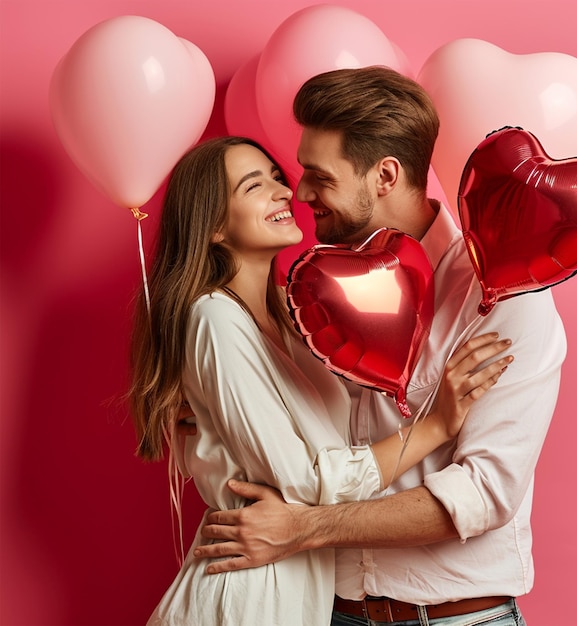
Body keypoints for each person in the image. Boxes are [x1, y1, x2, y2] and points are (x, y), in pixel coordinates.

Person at [194, 68, 567, 625]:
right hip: (332, 612)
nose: (301, 194)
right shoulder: (311, 291)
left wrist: (301, 529)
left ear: (385, 175)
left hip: (455, 618)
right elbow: (290, 448)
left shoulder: (501, 296)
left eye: (319, 176)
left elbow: (485, 492)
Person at [128, 135, 513, 625]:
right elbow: (306, 481)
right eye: (253, 185)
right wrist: (435, 425)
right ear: (214, 227)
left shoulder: (290, 318)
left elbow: (333, 444)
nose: (284, 191)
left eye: (276, 177)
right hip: (248, 594)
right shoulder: (214, 318)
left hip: (302, 595)